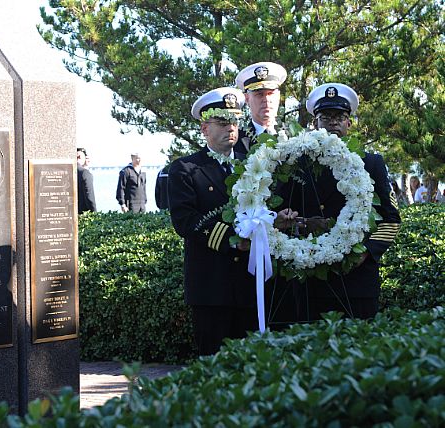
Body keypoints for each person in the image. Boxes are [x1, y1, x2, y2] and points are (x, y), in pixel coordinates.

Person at [276, 83, 401, 321]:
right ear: (315, 124)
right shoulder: (295, 164)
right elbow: (279, 213)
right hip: (311, 278)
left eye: (340, 117)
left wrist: (364, 252)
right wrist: (301, 223)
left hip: (357, 280)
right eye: (325, 117)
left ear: (349, 124)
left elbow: (390, 220)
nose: (332, 123)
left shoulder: (371, 163)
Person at [168, 87, 257, 355]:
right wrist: (234, 240)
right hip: (211, 286)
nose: (230, 128)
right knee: (214, 364)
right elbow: (186, 222)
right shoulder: (185, 169)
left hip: (251, 284)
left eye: (234, 122)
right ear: (204, 129)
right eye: (222, 123)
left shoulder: (253, 164)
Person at [233, 61, 287, 154]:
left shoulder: (293, 136)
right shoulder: (236, 140)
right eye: (259, 94)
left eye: (270, 93)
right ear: (247, 99)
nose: (266, 99)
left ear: (278, 96)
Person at [76, 148, 96, 214]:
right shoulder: (85, 173)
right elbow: (89, 197)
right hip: (82, 214)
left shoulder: (67, 170)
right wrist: (94, 214)